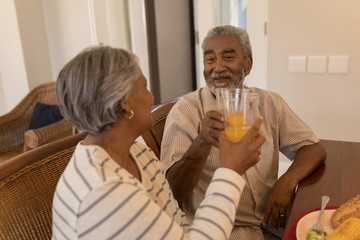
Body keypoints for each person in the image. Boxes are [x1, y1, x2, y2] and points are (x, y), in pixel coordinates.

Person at [52, 46, 265, 239]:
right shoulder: (104, 191)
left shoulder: (137, 153)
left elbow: (178, 223)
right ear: (124, 103)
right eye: (144, 87)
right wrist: (230, 170)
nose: (151, 97)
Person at [160, 25, 326, 239]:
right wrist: (202, 141)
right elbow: (174, 191)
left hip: (272, 222)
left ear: (248, 65)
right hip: (219, 229)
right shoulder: (187, 110)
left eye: (228, 58)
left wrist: (286, 182)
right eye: (210, 60)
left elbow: (313, 148)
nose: (218, 67)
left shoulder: (269, 103)